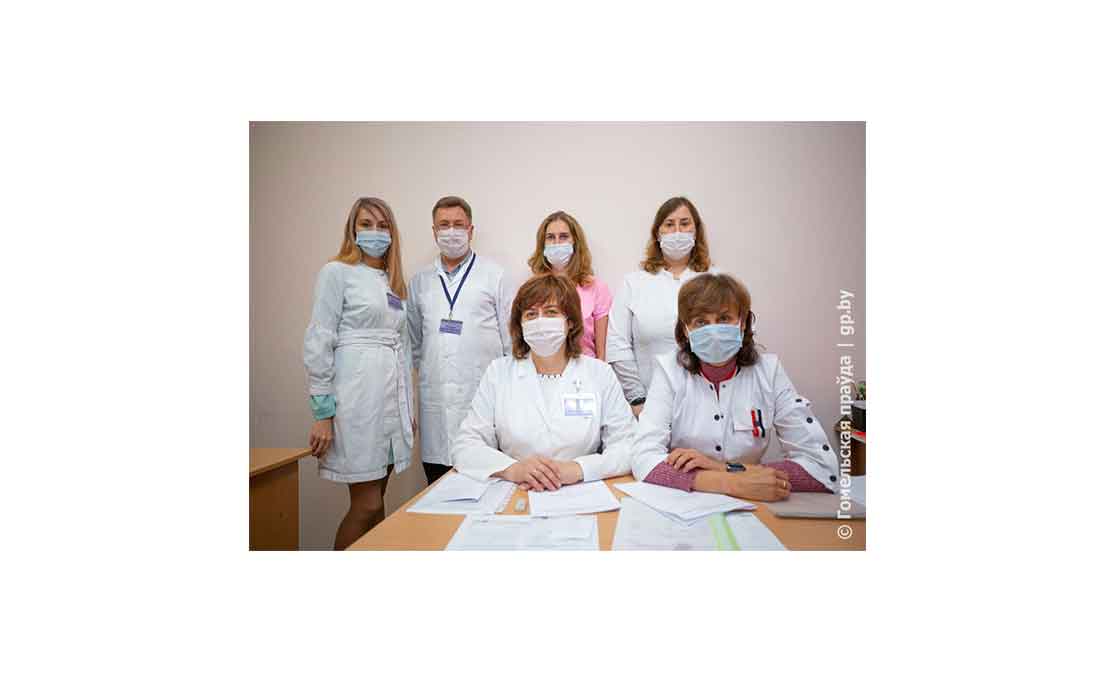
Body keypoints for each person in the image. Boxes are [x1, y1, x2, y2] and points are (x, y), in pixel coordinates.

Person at [632, 273, 839, 500]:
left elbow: (823, 469)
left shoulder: (769, 372)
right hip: (686, 502)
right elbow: (644, 459)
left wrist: (724, 469)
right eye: (701, 322)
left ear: (743, 324)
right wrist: (730, 482)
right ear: (685, 330)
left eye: (724, 318)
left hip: (756, 503)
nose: (713, 331)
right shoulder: (669, 371)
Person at [452, 274, 635, 490]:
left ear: (570, 322)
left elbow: (629, 445)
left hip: (580, 491)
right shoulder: (498, 372)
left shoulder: (599, 374)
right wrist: (512, 469)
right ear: (520, 325)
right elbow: (465, 445)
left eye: (551, 312)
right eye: (531, 314)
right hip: (515, 490)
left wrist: (578, 469)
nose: (540, 322)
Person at [303, 196, 414, 549]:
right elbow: (319, 339)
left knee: (378, 505)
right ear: (352, 229)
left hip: (391, 405)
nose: (375, 232)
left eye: (383, 226)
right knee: (366, 505)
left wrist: (407, 409)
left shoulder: (393, 283)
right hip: (356, 404)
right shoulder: (336, 273)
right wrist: (323, 413)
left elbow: (403, 348)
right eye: (366, 224)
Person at [407, 196, 513, 486]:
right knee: (438, 490)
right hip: (436, 409)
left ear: (471, 230)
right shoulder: (420, 282)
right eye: (444, 225)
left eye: (458, 224)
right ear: (434, 231)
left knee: (487, 489)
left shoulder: (495, 276)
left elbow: (512, 345)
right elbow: (415, 346)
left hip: (483, 404)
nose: (451, 231)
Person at [606, 196, 718, 417]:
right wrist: (638, 399)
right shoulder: (634, 283)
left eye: (684, 224)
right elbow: (617, 345)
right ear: (657, 233)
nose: (677, 231)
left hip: (708, 404)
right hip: (648, 404)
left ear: (696, 231)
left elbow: (735, 336)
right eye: (669, 224)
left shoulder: (716, 280)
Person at [526, 210, 613, 360]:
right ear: (543, 245)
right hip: (544, 369)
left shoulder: (597, 288)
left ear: (575, 242)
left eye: (564, 236)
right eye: (550, 237)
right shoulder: (531, 289)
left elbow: (602, 352)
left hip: (586, 368)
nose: (557, 242)